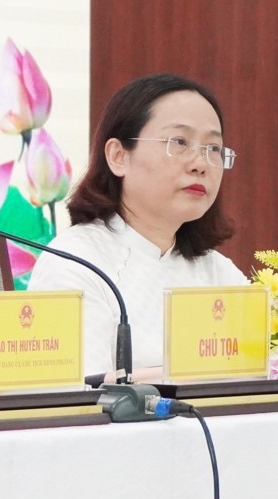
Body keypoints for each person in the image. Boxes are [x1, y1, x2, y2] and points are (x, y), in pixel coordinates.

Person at [27, 73, 247, 382]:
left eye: (213, 148)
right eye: (179, 142)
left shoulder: (217, 271)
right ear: (119, 157)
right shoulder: (75, 262)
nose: (200, 164)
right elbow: (83, 390)